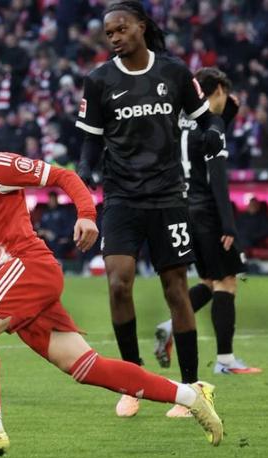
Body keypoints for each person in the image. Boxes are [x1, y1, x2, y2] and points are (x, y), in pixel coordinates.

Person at [0, 92, 223, 456]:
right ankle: (191, 395)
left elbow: (64, 176)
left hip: (29, 267)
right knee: (87, 367)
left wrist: (86, 216)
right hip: (12, 284)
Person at [75, 1, 228, 418]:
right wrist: (84, 170)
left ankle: (191, 388)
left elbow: (206, 119)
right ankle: (133, 382)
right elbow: (91, 139)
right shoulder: (99, 80)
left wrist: (215, 135)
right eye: (109, 33)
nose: (115, 37)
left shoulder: (174, 72)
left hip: (167, 196)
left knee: (175, 289)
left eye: (121, 29)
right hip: (121, 197)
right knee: (118, 283)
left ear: (141, 26)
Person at [153, 68, 261, 375]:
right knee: (226, 282)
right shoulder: (213, 126)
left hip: (183, 210)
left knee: (208, 281)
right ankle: (225, 361)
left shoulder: (177, 122)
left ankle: (169, 325)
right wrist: (228, 224)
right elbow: (218, 178)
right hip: (208, 212)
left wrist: (228, 112)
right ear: (218, 91)